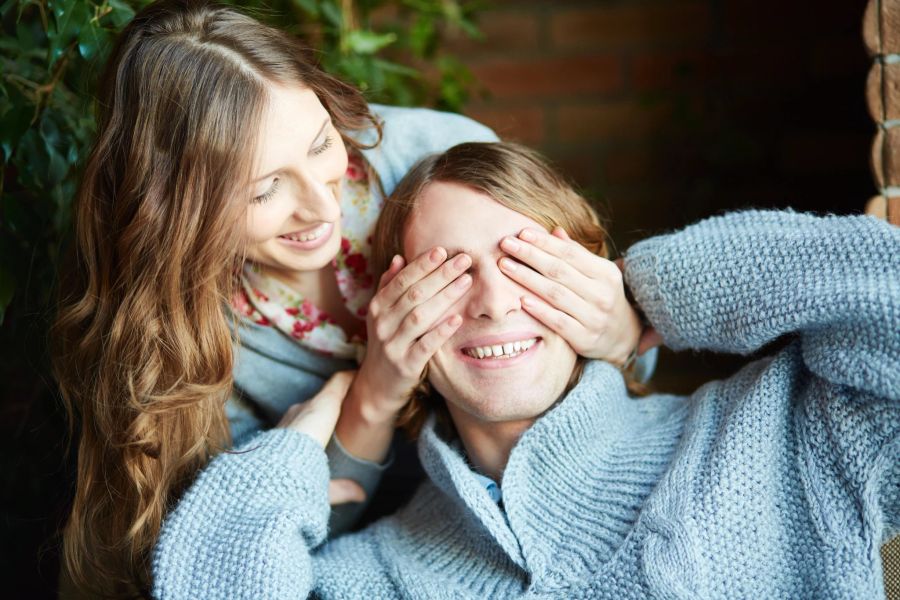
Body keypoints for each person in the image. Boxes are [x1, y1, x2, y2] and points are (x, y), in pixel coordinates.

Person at [51, 2, 647, 596]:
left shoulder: (435, 157)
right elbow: (276, 553)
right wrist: (373, 396)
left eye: (319, 146)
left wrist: (622, 329)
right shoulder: (185, 342)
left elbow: (622, 378)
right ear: (176, 210)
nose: (321, 206)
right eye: (264, 191)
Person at [151, 141, 900, 599]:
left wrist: (651, 300)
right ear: (393, 317)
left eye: (528, 262)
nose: (495, 300)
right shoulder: (372, 578)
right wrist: (295, 452)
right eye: (447, 274)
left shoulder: (782, 435)